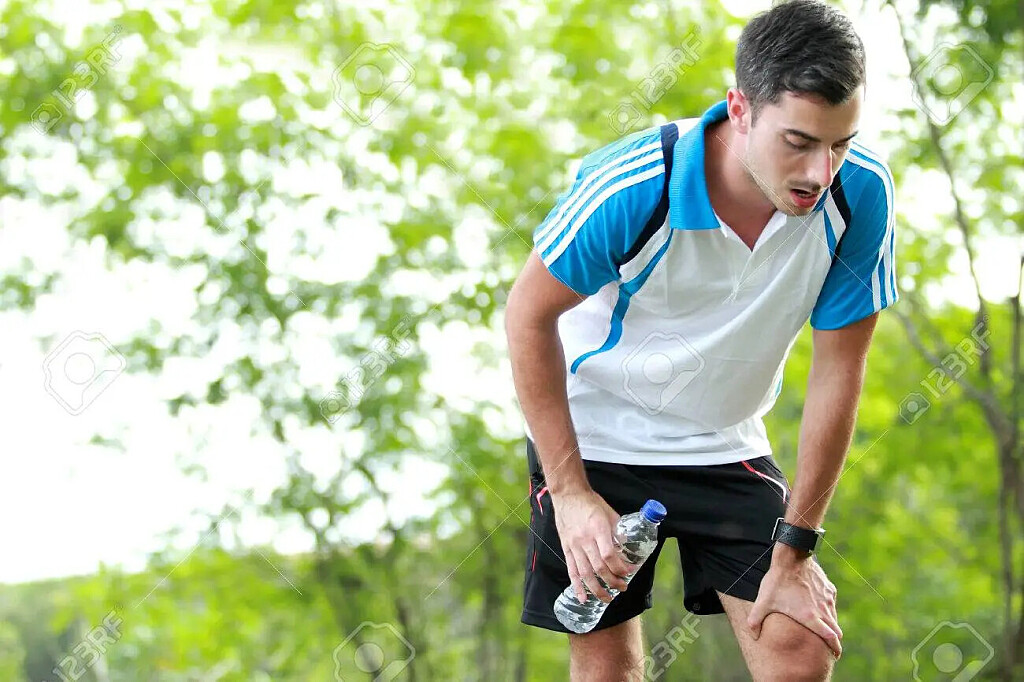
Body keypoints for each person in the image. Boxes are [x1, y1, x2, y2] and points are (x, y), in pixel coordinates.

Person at [504, 1, 897, 680]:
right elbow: (527, 317)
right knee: (607, 669)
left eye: (840, 143)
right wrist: (569, 493)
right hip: (596, 438)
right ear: (740, 109)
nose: (819, 171)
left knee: (799, 649)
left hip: (724, 440)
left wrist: (797, 548)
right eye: (798, 141)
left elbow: (839, 369)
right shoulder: (634, 183)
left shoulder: (860, 196)